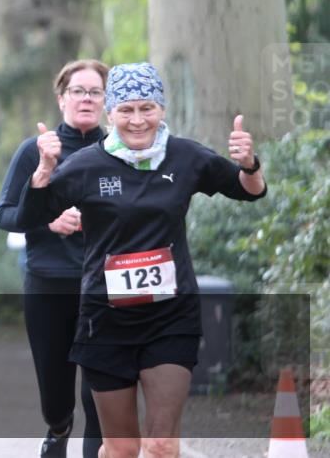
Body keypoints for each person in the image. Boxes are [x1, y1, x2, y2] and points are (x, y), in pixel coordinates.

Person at [18, 62, 266, 458]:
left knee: (162, 445)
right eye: (126, 110)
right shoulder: (85, 166)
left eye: (147, 108)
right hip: (107, 318)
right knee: (121, 450)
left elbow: (249, 190)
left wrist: (250, 164)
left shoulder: (185, 157)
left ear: (162, 109)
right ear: (110, 113)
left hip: (170, 316)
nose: (137, 120)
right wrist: (45, 170)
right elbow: (29, 216)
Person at [0, 60, 107, 458]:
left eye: (95, 92)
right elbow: (4, 216)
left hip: (104, 285)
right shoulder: (35, 151)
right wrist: (48, 221)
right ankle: (58, 431)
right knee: (56, 396)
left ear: (105, 101)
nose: (87, 99)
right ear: (62, 99)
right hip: (49, 284)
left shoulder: (118, 150)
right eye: (78, 91)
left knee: (99, 394)